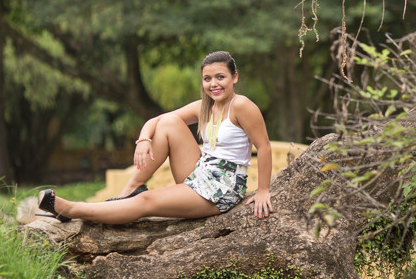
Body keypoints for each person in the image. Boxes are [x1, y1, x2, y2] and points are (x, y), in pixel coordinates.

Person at [38, 51, 273, 224]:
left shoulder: (242, 106)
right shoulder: (205, 106)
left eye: (220, 77)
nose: (213, 84)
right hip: (200, 170)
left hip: (223, 186)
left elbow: (264, 147)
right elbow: (158, 120)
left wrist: (263, 190)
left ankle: (73, 210)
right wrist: (143, 140)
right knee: (169, 122)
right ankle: (132, 189)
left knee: (147, 202)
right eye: (207, 79)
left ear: (235, 77)